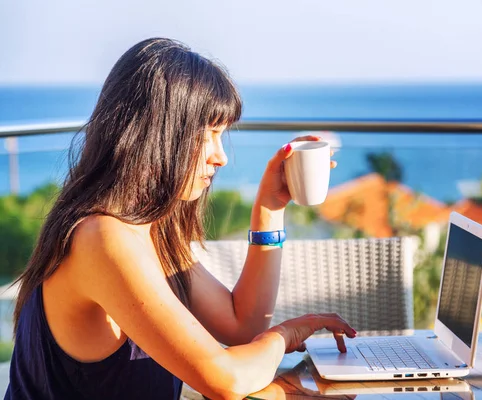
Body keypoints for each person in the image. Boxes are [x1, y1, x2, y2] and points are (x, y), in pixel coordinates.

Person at [5, 38, 356, 400]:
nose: (221, 157)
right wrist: (283, 336)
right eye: (209, 135)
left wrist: (269, 206)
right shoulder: (101, 237)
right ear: (158, 133)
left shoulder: (148, 231)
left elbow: (241, 324)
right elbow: (225, 381)